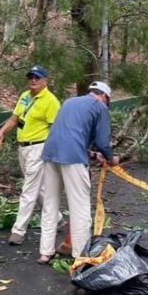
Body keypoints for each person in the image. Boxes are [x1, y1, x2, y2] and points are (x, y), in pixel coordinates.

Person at [37, 81, 119, 264]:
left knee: (50, 204)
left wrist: (92, 154)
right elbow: (102, 142)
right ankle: (80, 256)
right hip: (73, 158)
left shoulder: (69, 102)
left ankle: (45, 252)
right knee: (80, 207)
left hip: (51, 154)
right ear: (105, 97)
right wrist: (111, 159)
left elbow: (69, 134)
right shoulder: (100, 107)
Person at [0, 65, 61, 245]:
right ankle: (58, 217)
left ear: (45, 81)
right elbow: (15, 119)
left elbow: (55, 128)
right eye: (31, 77)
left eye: (37, 78)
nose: (33, 80)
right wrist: (1, 133)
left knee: (28, 189)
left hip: (39, 148)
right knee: (37, 187)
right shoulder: (25, 96)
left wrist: (51, 151)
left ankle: (18, 230)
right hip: (23, 147)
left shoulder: (50, 101)